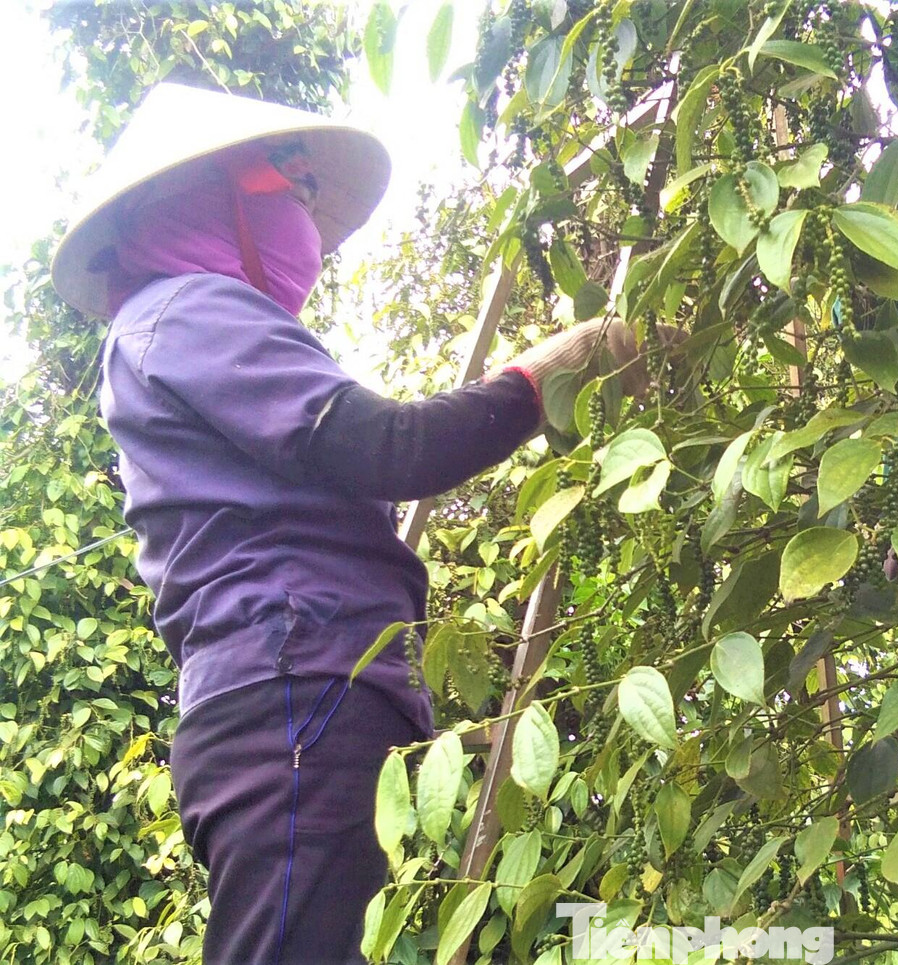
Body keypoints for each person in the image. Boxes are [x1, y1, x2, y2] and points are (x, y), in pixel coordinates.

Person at [51, 83, 662, 965]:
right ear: (210, 193)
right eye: (292, 186)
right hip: (292, 691)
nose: (309, 213)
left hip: (292, 697)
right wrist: (547, 373)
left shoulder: (183, 327)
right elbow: (388, 446)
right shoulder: (186, 310)